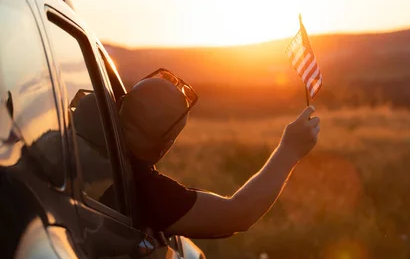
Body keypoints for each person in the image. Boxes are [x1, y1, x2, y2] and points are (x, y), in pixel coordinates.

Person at [118, 69, 320, 238]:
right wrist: (289, 150)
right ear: (166, 144)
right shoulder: (142, 189)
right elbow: (238, 214)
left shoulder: (92, 147)